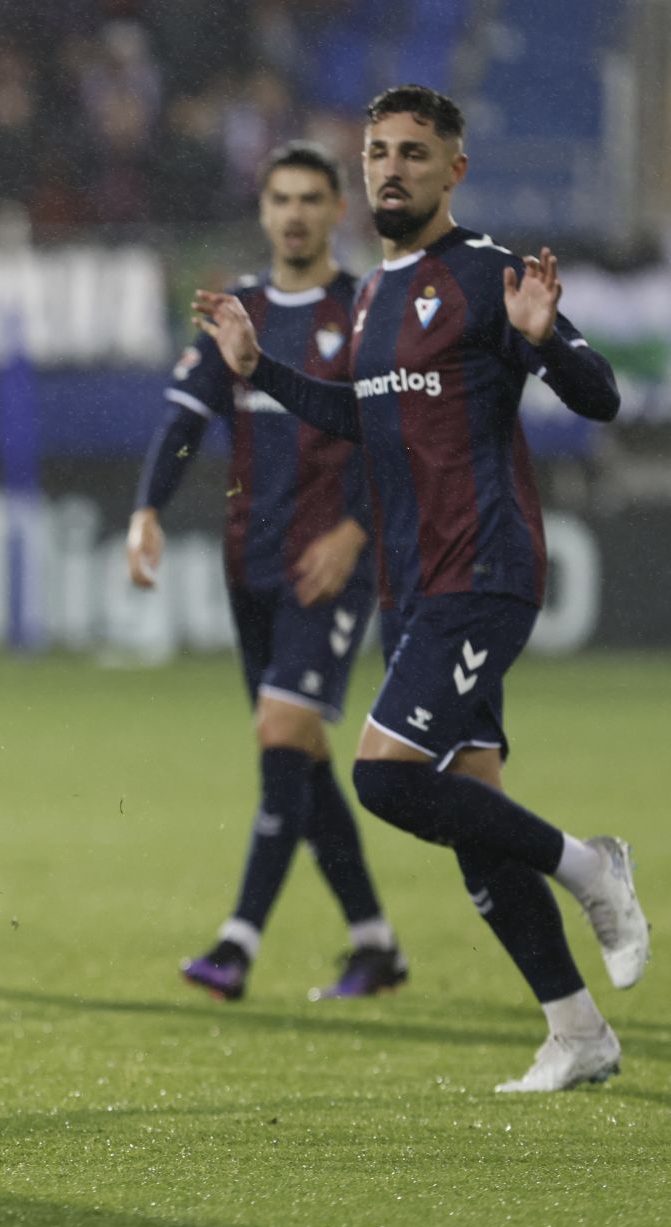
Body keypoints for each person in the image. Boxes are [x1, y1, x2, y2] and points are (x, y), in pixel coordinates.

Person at [193, 85, 645, 1092]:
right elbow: (363, 419)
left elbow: (604, 395)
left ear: (454, 170)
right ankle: (577, 1031)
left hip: (485, 569)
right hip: (416, 587)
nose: (391, 168)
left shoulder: (488, 273)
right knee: (466, 817)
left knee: (386, 777)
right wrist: (257, 363)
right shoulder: (372, 297)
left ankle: (589, 866)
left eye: (413, 152)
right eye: (379, 153)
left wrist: (536, 338)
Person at [129, 142, 405, 1002]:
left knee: (284, 737)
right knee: (300, 754)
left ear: (336, 212)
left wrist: (359, 532)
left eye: (310, 199)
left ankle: (237, 943)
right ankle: (375, 942)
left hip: (329, 566)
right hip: (249, 560)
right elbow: (184, 419)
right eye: (279, 197)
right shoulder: (236, 311)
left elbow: (400, 441)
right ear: (263, 210)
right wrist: (146, 509)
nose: (293, 213)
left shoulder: (364, 309)